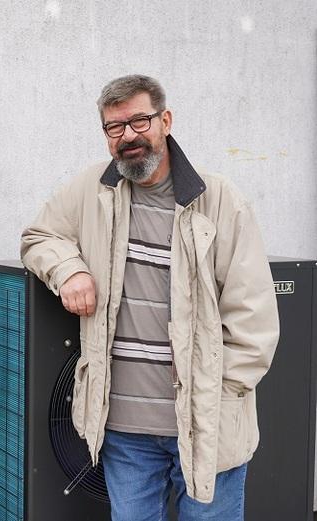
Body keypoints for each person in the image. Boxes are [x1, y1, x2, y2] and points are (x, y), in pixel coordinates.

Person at [20, 74, 279, 521]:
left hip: (204, 428)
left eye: (139, 121)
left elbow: (253, 318)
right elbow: (39, 236)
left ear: (165, 121)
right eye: (114, 128)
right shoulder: (91, 191)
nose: (128, 136)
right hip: (124, 432)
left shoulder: (220, 201)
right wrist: (70, 270)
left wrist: (218, 395)